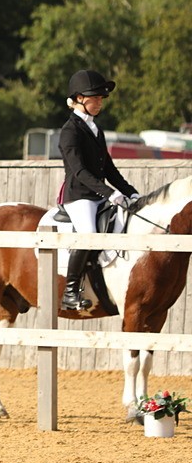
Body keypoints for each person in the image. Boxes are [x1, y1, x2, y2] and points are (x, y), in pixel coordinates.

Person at [58, 69, 139, 311]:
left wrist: (131, 192)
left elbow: (110, 170)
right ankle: (70, 291)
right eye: (95, 98)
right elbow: (80, 171)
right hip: (79, 197)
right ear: (79, 98)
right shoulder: (70, 131)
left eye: (101, 98)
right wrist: (110, 193)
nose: (100, 102)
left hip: (98, 196)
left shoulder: (96, 130)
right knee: (89, 234)